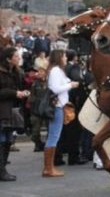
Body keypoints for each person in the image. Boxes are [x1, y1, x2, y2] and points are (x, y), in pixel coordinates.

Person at [43, 49, 79, 177]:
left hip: (60, 106)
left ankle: (49, 167)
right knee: (54, 136)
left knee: (54, 136)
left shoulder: (57, 70)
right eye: (63, 56)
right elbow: (55, 88)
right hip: (57, 106)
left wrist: (69, 83)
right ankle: (48, 168)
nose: (65, 58)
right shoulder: (55, 71)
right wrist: (70, 85)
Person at [0, 47, 28, 181]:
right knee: (2, 141)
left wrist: (22, 92)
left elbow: (19, 86)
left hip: (11, 111)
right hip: (2, 111)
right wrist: (14, 93)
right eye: (16, 56)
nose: (18, 58)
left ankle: (2, 169)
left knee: (7, 141)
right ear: (8, 59)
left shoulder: (15, 72)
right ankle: (1, 171)